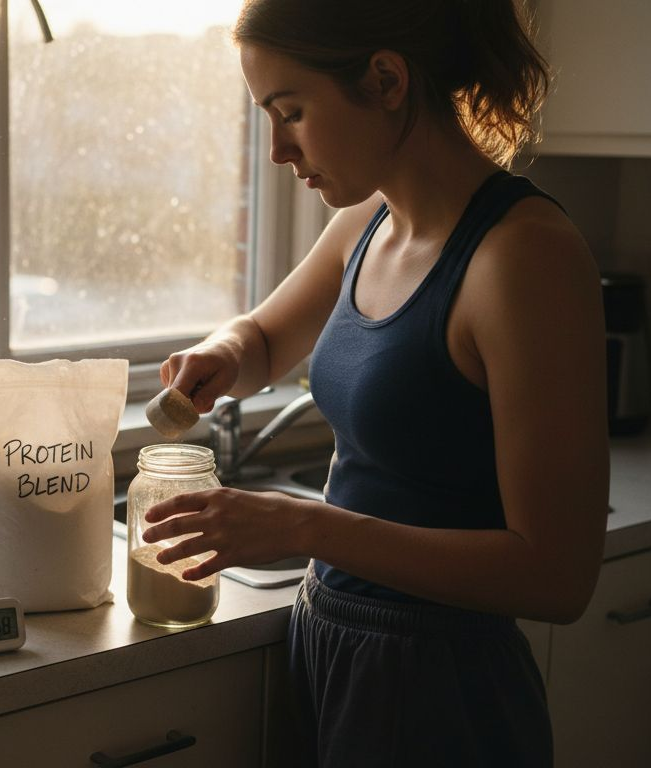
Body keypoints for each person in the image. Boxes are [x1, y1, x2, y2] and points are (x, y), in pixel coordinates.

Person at [141, 0, 609, 764]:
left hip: (444, 683)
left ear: (386, 79)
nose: (276, 152)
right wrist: (223, 351)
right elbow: (263, 338)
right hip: (332, 645)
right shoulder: (366, 223)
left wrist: (302, 527)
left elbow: (557, 575)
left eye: (289, 112)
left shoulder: (524, 258)